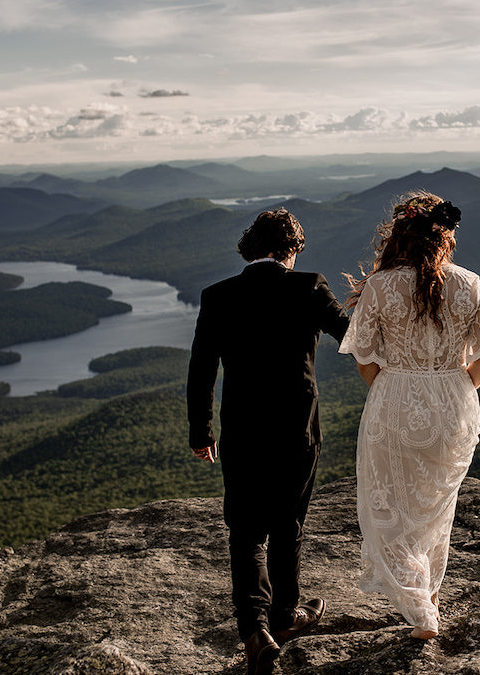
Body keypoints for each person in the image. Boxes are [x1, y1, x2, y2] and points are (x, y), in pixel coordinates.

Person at [187, 208, 350, 675]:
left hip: (241, 431)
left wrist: (203, 433)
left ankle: (254, 629)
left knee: (245, 530)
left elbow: (201, 372)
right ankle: (285, 615)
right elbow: (353, 336)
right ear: (291, 248)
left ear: (250, 248)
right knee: (287, 524)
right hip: (298, 430)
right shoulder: (309, 286)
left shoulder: (217, 296)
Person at [339, 191, 480, 640]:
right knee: (436, 510)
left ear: (400, 235)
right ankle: (428, 598)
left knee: (388, 507)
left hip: (394, 399)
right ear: (445, 235)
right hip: (455, 402)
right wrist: (454, 391)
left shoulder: (380, 285)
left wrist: (398, 391)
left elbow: (365, 357)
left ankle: (420, 608)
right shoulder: (470, 283)